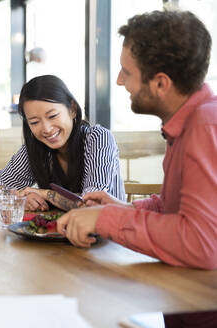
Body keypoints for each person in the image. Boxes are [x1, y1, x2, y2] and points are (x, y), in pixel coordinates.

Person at [57, 10, 217, 270]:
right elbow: (175, 209)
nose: (120, 81)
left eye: (126, 72)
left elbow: (202, 243)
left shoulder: (205, 126)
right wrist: (123, 209)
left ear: (161, 84)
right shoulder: (189, 123)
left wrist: (107, 219)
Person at [0, 75, 124, 211]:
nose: (46, 129)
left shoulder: (98, 137)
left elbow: (91, 204)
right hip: (59, 230)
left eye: (52, 116)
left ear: (72, 109)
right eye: (34, 122)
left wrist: (46, 194)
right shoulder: (36, 146)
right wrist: (21, 199)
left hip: (109, 229)